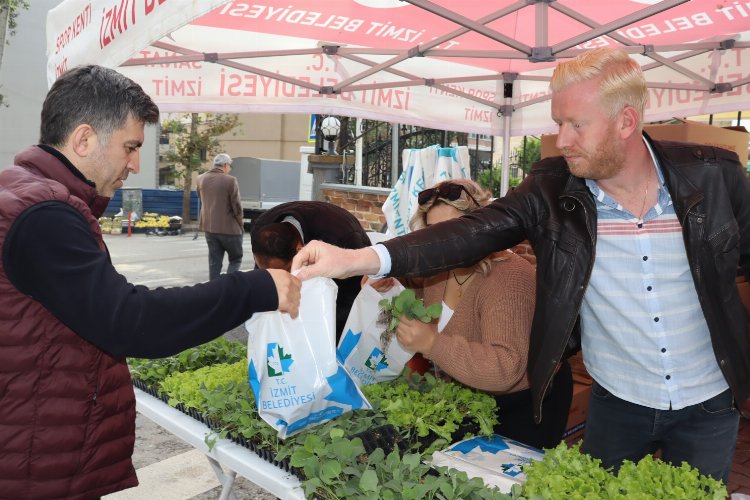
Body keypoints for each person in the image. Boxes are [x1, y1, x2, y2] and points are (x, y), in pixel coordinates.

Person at [293, 47, 750, 483]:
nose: (561, 139)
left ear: (626, 121)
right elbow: (468, 233)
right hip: (617, 401)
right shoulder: (550, 188)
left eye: (576, 124)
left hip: (709, 398)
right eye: (558, 122)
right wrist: (360, 258)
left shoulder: (716, 174)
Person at [0, 65, 300, 499]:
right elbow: (128, 320)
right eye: (130, 147)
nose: (135, 164)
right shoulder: (44, 214)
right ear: (83, 139)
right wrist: (256, 288)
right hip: (32, 466)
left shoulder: (27, 193)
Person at [392, 179, 573, 449]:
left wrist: (432, 343)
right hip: (474, 395)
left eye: (454, 230)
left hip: (524, 402)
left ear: (481, 226)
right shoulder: (440, 268)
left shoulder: (509, 278)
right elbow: (430, 304)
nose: (444, 243)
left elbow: (505, 367)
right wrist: (390, 280)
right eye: (434, 232)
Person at [250, 201, 371, 340]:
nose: (278, 278)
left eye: (284, 270)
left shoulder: (342, 237)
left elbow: (351, 298)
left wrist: (322, 336)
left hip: (346, 283)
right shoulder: (261, 229)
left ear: (300, 250)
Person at [196, 152, 244, 280]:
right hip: (230, 229)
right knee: (235, 259)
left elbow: (201, 198)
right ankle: (229, 288)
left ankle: (213, 290)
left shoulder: (200, 178)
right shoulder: (231, 180)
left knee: (214, 262)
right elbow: (236, 206)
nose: (230, 169)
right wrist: (240, 223)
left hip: (209, 229)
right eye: (230, 166)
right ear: (225, 165)